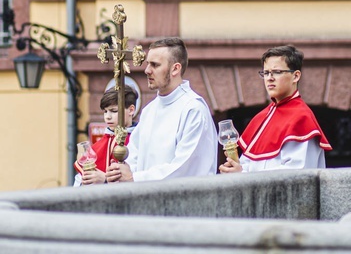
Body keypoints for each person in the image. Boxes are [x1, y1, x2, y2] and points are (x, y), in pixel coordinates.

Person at [105, 37, 218, 182]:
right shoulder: (149, 110)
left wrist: (135, 178)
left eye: (155, 65)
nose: (147, 70)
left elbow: (185, 168)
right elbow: (134, 154)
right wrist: (121, 172)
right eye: (147, 64)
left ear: (175, 69)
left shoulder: (193, 109)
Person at [219, 44, 332, 174]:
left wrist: (241, 175)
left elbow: (298, 175)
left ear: (295, 76)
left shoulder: (302, 118)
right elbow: (247, 164)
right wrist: (233, 170)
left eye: (277, 72)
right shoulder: (262, 118)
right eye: (266, 73)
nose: (269, 78)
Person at [73, 85, 138, 186]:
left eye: (114, 111)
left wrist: (105, 179)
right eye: (105, 111)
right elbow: (78, 182)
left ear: (131, 110)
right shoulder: (96, 147)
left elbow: (139, 178)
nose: (107, 117)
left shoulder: (138, 140)